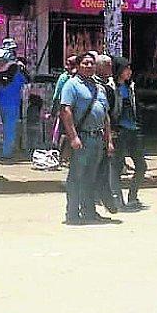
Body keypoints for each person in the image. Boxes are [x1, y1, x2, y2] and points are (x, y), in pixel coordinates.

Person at [58, 52, 116, 225]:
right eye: (85, 63)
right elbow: (65, 112)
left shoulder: (99, 87)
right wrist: (73, 137)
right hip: (82, 138)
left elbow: (105, 115)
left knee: (91, 177)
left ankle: (89, 211)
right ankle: (72, 214)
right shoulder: (72, 85)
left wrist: (109, 140)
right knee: (76, 177)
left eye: (92, 63)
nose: (89, 66)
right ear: (78, 65)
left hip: (97, 138)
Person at [112, 61, 148, 211]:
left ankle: (133, 196)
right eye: (126, 69)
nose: (129, 71)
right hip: (119, 130)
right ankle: (117, 198)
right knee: (117, 166)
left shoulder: (130, 87)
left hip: (133, 129)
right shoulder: (112, 87)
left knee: (141, 166)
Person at [90, 53, 121, 214]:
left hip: (106, 132)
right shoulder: (93, 85)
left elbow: (108, 114)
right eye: (107, 65)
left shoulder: (109, 85)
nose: (110, 68)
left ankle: (107, 198)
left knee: (104, 168)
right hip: (91, 133)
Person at [0, 41, 29, 160]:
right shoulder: (17, 71)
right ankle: (7, 152)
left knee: (4, 127)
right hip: (12, 102)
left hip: (0, 100)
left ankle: (5, 150)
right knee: (9, 128)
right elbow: (26, 80)